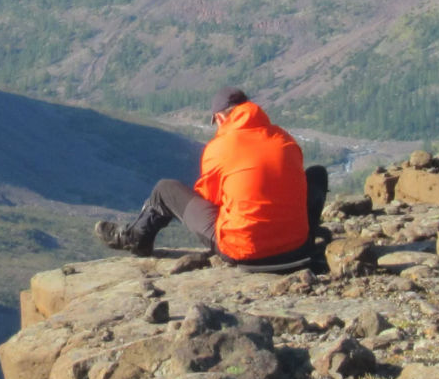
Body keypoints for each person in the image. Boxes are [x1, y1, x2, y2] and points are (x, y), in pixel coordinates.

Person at [94, 89, 327, 268]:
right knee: (317, 174)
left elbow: (212, 200)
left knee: (165, 190)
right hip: (297, 248)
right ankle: (305, 233)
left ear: (221, 118)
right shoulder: (283, 138)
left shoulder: (220, 147)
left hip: (244, 251)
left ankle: (135, 238)